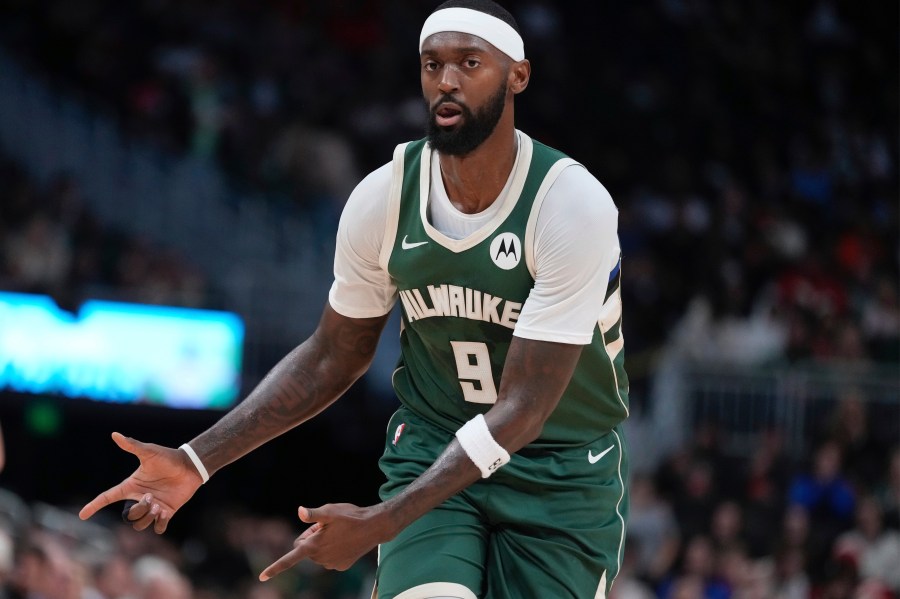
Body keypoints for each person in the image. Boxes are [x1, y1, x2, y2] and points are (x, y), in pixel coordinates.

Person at [79, 1, 631, 597]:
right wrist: (197, 459)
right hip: (435, 448)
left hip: (559, 470)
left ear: (517, 75)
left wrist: (383, 520)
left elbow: (524, 407)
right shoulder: (383, 198)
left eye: (470, 63)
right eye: (432, 64)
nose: (447, 81)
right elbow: (330, 356)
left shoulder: (570, 204)